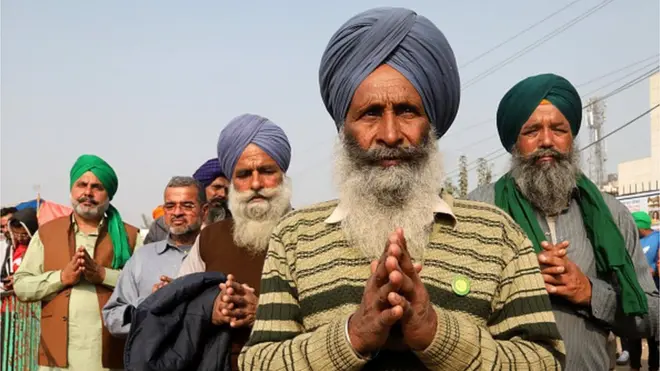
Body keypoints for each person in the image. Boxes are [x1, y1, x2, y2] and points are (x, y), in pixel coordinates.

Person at [240, 8, 564, 370]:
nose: (391, 134)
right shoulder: (295, 238)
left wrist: (435, 334)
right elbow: (258, 363)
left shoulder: (497, 233)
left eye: (408, 111)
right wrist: (354, 335)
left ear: (431, 124)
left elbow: (545, 360)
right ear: (344, 127)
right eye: (371, 113)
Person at [468, 73, 659, 371]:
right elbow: (452, 310)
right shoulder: (481, 208)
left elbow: (652, 318)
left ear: (571, 138)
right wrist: (519, 280)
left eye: (558, 129)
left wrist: (589, 293)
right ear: (514, 141)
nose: (546, 141)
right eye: (532, 131)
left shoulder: (612, 214)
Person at [174, 113, 292, 370]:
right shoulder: (209, 238)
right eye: (244, 174)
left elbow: (335, 320)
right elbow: (179, 307)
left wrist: (263, 311)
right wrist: (213, 308)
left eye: (267, 171)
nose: (256, 183)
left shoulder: (309, 231)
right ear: (231, 182)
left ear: (282, 174)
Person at [13, 154, 143, 371]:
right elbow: (21, 286)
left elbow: (143, 288)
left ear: (108, 194)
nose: (88, 193)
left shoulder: (130, 236)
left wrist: (103, 275)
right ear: (72, 189)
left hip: (109, 359)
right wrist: (61, 278)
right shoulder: (47, 233)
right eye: (81, 185)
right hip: (56, 360)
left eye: (97, 187)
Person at [102, 176, 206, 337]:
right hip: (151, 358)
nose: (177, 213)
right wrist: (149, 303)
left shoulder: (215, 253)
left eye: (187, 206)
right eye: (170, 206)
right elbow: (113, 317)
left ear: (204, 211)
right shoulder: (142, 258)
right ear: (164, 212)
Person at [627, 211, 659, 371]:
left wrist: (651, 270)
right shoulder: (632, 239)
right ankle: (634, 366)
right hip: (634, 292)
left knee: (653, 335)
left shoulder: (658, 238)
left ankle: (653, 366)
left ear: (641, 226)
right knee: (634, 332)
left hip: (653, 292)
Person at [1, 207, 39, 291]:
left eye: (24, 234)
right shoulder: (12, 249)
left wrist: (19, 280)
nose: (20, 238)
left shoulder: (40, 249)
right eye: (16, 234)